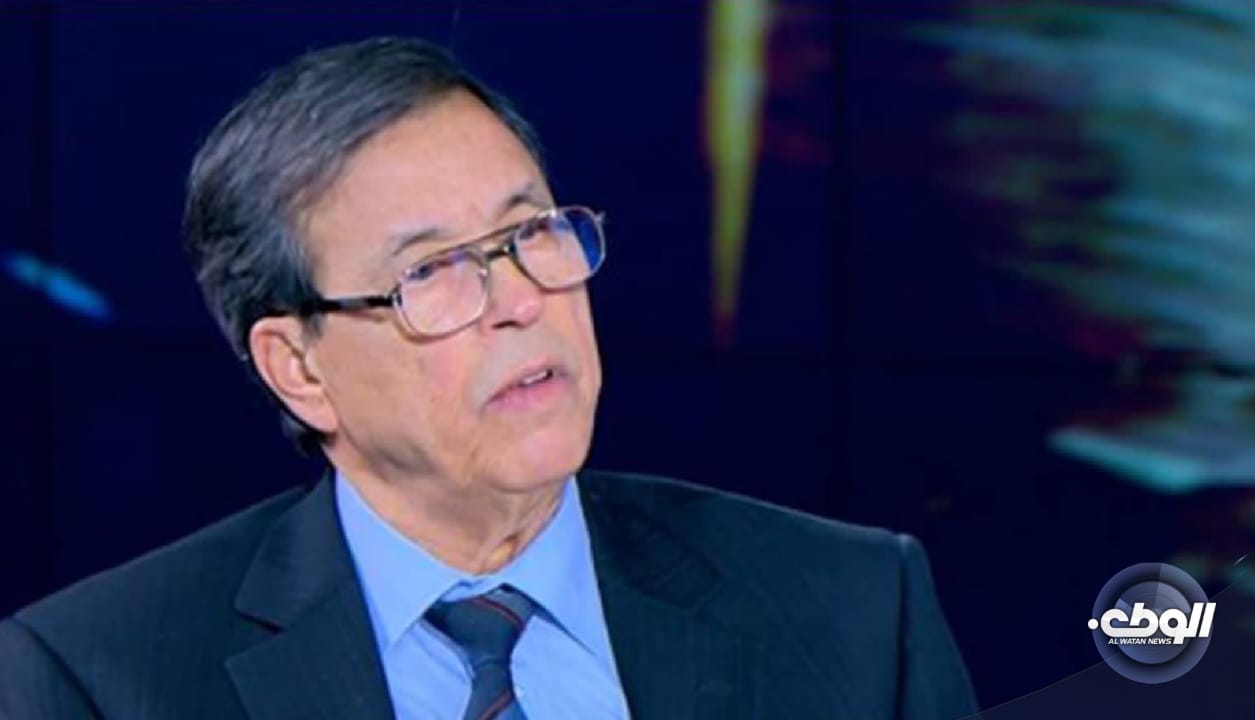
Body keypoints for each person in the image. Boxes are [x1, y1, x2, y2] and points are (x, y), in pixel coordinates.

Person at [0, 37, 978, 720]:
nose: (519, 300)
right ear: (298, 369)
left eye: (529, 234)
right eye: (432, 271)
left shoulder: (855, 609)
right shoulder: (97, 679)